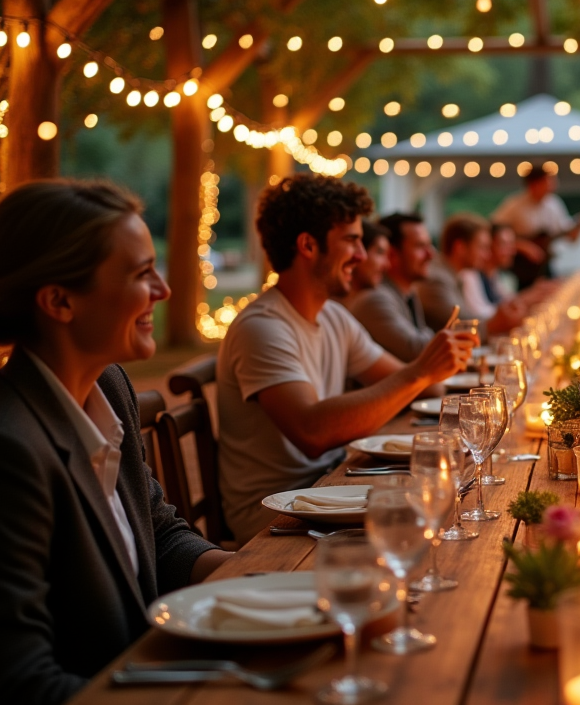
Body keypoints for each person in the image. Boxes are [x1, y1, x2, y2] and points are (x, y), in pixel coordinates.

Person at [0, 180, 228, 704]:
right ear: (59, 301)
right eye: (141, 272)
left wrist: (265, 580)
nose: (164, 290)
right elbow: (17, 684)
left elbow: (162, 538)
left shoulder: (109, 386)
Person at [217, 177, 474, 544]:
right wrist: (419, 371)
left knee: (446, 510)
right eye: (351, 240)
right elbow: (313, 432)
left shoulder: (334, 317)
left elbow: (425, 386)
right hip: (274, 516)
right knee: (431, 527)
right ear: (307, 245)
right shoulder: (262, 327)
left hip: (330, 487)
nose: (363, 255)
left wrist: (431, 370)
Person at [347, 213, 435, 363]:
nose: (431, 254)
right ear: (394, 254)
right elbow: (419, 351)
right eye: (420, 246)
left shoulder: (408, 294)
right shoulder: (374, 298)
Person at [416, 212, 524, 333]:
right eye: (482, 247)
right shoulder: (436, 279)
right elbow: (458, 327)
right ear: (460, 247)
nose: (487, 255)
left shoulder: (453, 275)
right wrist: (498, 322)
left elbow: (470, 318)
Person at [491, 169, 580, 289]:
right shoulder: (514, 205)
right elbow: (493, 229)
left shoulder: (554, 204)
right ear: (533, 184)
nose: (553, 187)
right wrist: (521, 246)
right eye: (548, 183)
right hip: (522, 267)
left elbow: (570, 236)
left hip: (544, 263)